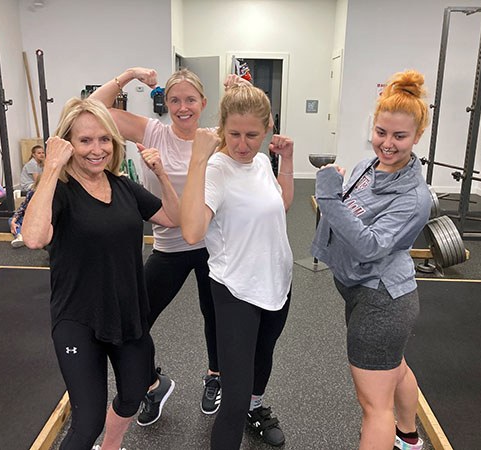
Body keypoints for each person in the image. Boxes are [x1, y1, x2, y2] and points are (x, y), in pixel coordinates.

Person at [21, 97, 180, 450]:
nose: (97, 149)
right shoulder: (59, 193)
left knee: (135, 391)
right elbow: (33, 238)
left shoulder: (123, 187)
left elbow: (173, 218)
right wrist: (50, 169)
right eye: (85, 141)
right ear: (68, 144)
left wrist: (162, 174)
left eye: (104, 139)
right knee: (86, 421)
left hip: (127, 313)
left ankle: (111, 445)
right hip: (78, 318)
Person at [90, 67, 221, 423]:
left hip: (214, 245)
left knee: (216, 317)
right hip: (169, 245)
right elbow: (90, 111)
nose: (182, 107)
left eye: (190, 100)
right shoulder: (153, 132)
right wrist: (128, 75)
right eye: (175, 99)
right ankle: (152, 384)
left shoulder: (215, 137)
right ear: (166, 102)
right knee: (137, 320)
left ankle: (216, 377)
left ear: (203, 103)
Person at [311, 69, 432, 450]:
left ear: (417, 136)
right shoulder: (367, 165)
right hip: (359, 291)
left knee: (374, 407)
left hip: (383, 301)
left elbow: (370, 245)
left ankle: (397, 433)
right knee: (394, 367)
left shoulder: (416, 197)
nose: (388, 144)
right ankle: (409, 438)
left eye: (400, 136)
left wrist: (328, 198)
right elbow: (349, 217)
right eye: (381, 132)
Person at [181, 84, 294, 449]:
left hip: (277, 283)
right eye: (233, 135)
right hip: (236, 290)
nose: (242, 145)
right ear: (221, 130)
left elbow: (282, 204)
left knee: (263, 361)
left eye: (252, 135)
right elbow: (193, 231)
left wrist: (287, 161)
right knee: (234, 394)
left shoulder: (261, 161)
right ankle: (242, 412)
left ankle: (255, 409)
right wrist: (199, 160)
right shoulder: (216, 170)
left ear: (268, 129)